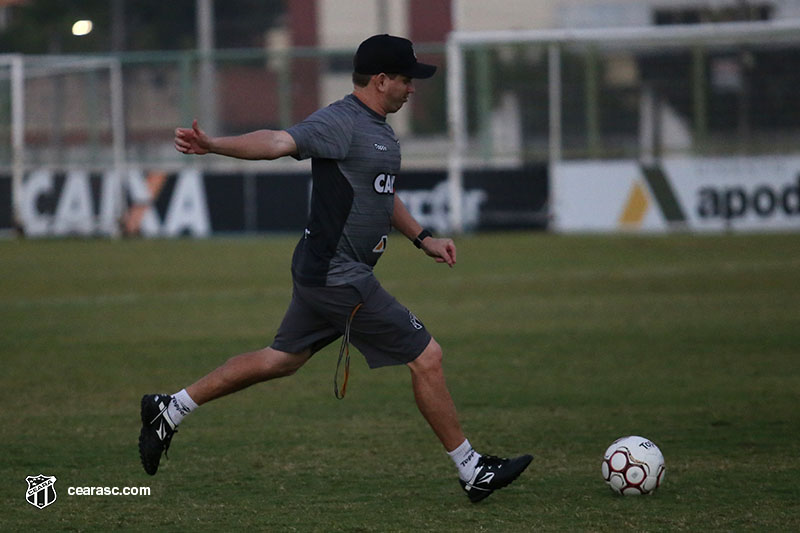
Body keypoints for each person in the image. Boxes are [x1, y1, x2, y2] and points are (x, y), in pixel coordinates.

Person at [139, 34, 532, 503]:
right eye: (406, 80)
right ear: (381, 80)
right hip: (337, 275)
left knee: (280, 360)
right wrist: (214, 145)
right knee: (428, 356)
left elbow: (380, 195)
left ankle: (172, 407)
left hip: (322, 271)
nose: (412, 89)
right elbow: (279, 141)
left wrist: (423, 238)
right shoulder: (340, 121)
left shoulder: (381, 129)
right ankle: (472, 470)